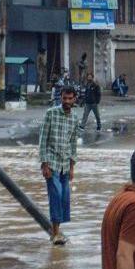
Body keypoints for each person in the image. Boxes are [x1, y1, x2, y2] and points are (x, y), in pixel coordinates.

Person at [40, 86, 80, 245]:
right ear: (60, 98)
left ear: (74, 99)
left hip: (65, 163)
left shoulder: (75, 118)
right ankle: (55, 233)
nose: (67, 101)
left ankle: (56, 230)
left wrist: (72, 167)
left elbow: (73, 143)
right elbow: (43, 140)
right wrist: (44, 164)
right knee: (55, 195)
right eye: (64, 98)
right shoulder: (51, 113)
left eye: (70, 98)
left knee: (64, 197)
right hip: (52, 162)